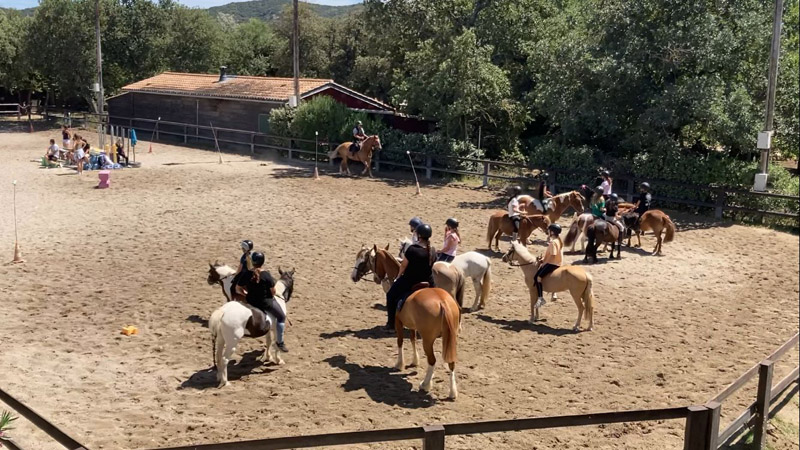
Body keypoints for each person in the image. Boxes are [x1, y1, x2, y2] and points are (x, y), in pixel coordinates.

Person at [385, 223, 436, 330]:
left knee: (390, 295)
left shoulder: (412, 249)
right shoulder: (432, 250)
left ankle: (391, 325)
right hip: (428, 281)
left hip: (411, 280)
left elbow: (403, 266)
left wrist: (398, 277)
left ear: (419, 235)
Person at [235, 251, 288, 352]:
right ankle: (280, 342)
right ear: (262, 262)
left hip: (250, 301)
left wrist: (245, 294)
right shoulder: (266, 275)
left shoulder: (247, 274)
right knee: (281, 317)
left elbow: (238, 288)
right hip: (265, 303)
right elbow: (273, 292)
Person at [533, 224, 564, 308]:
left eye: (549, 230)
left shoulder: (553, 242)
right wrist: (543, 258)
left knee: (537, 278)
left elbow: (553, 254)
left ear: (552, 232)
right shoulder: (558, 240)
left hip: (552, 263)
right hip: (557, 263)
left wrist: (544, 262)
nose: (548, 232)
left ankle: (540, 298)